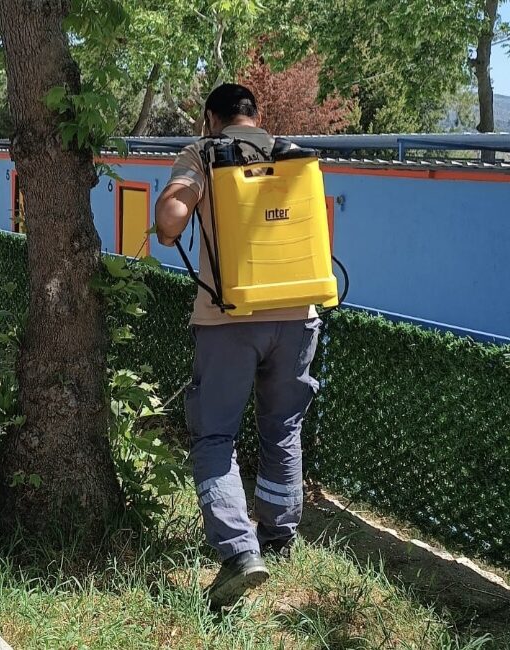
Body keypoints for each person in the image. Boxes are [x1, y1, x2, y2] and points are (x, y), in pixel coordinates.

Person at [154, 83, 322, 610]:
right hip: (300, 315)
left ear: (211, 118)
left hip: (229, 318)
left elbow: (169, 221)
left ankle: (237, 553)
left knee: (215, 434)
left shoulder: (202, 152)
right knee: (283, 427)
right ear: (257, 116)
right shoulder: (292, 153)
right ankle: (279, 533)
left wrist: (175, 202)